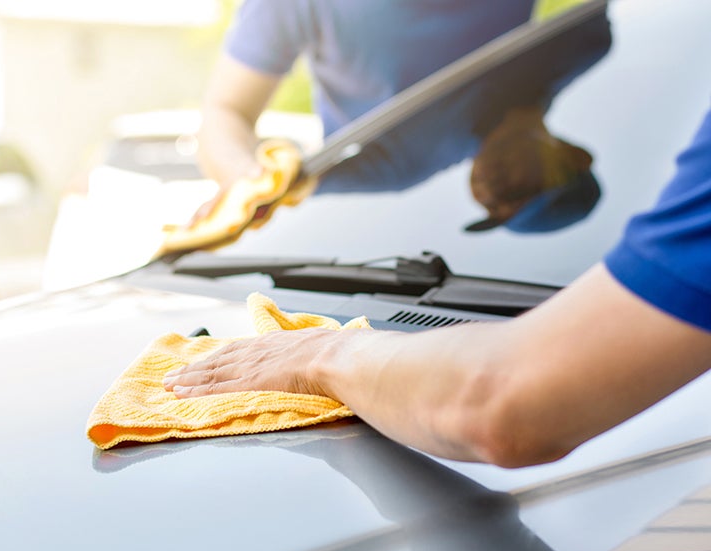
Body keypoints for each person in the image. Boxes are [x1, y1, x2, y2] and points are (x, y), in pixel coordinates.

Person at [164, 104, 711, 468]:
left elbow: (504, 402)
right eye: (504, 201)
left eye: (517, 198)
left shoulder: (407, 160)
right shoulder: (572, 49)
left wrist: (323, 351)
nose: (492, 189)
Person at [195, 0, 612, 233]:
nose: (492, 194)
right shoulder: (586, 46)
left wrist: (255, 191)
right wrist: (242, 178)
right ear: (577, 157)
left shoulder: (397, 167)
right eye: (523, 192)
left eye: (492, 210)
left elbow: (284, 188)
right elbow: (225, 112)